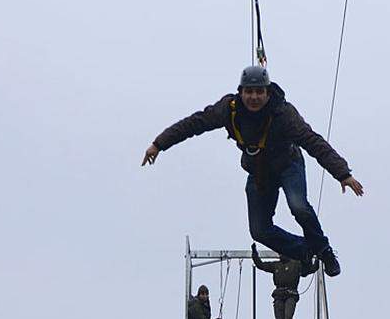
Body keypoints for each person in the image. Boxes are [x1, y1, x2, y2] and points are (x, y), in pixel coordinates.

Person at [143, 65, 363, 277]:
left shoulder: (283, 113)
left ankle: (324, 250)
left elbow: (312, 141)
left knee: (299, 206)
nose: (254, 97)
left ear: (268, 93)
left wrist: (342, 173)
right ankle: (305, 251)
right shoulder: (229, 110)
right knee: (259, 230)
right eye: (249, 92)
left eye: (259, 92)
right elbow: (194, 124)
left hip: (288, 164)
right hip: (260, 172)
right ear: (241, 93)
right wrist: (159, 144)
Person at [251, 245, 317, 319]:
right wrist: (254, 253)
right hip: (278, 295)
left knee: (288, 316)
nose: (281, 255)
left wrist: (316, 259)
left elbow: (310, 269)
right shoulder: (276, 265)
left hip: (291, 294)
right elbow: (260, 265)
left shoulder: (296, 264)